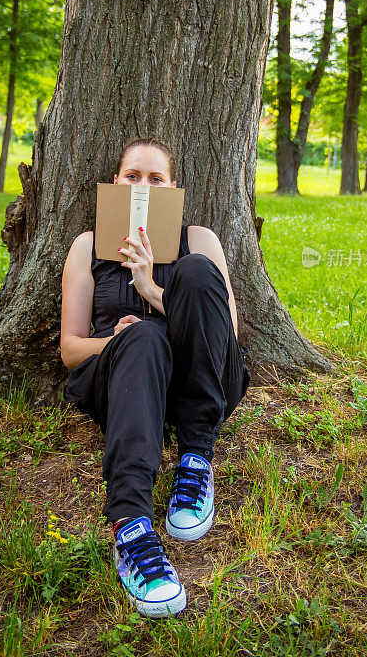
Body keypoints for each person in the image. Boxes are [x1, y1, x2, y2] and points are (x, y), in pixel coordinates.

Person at [60, 137, 251, 618]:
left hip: (199, 383)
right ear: (116, 181)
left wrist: (150, 288)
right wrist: (120, 339)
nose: (143, 186)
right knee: (143, 338)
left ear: (171, 188)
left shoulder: (199, 239)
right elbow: (70, 349)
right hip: (129, 384)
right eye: (133, 176)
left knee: (196, 273)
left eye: (155, 178)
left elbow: (221, 331)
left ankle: (195, 457)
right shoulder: (88, 246)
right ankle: (130, 527)